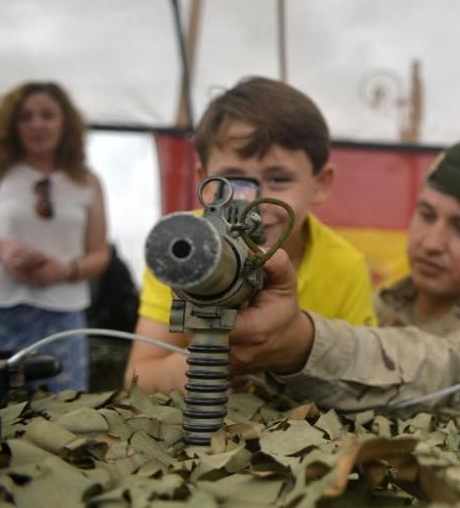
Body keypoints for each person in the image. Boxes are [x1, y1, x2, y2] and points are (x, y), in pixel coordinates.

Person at [227, 140, 460, 412]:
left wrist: (302, 346)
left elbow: (459, 377)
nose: (432, 242)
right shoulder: (384, 304)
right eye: (426, 214)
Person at [124, 77, 376, 393]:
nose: (252, 207)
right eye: (232, 181)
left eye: (278, 179)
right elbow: (138, 376)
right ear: (204, 180)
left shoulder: (346, 266)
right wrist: (201, 368)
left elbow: (360, 379)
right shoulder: (181, 249)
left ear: (321, 183)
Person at [0, 82, 110, 391]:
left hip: (60, 319)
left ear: (65, 123)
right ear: (11, 125)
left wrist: (66, 270)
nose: (37, 124)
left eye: (47, 115)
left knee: (63, 416)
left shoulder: (87, 182)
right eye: (26, 116)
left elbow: (99, 254)